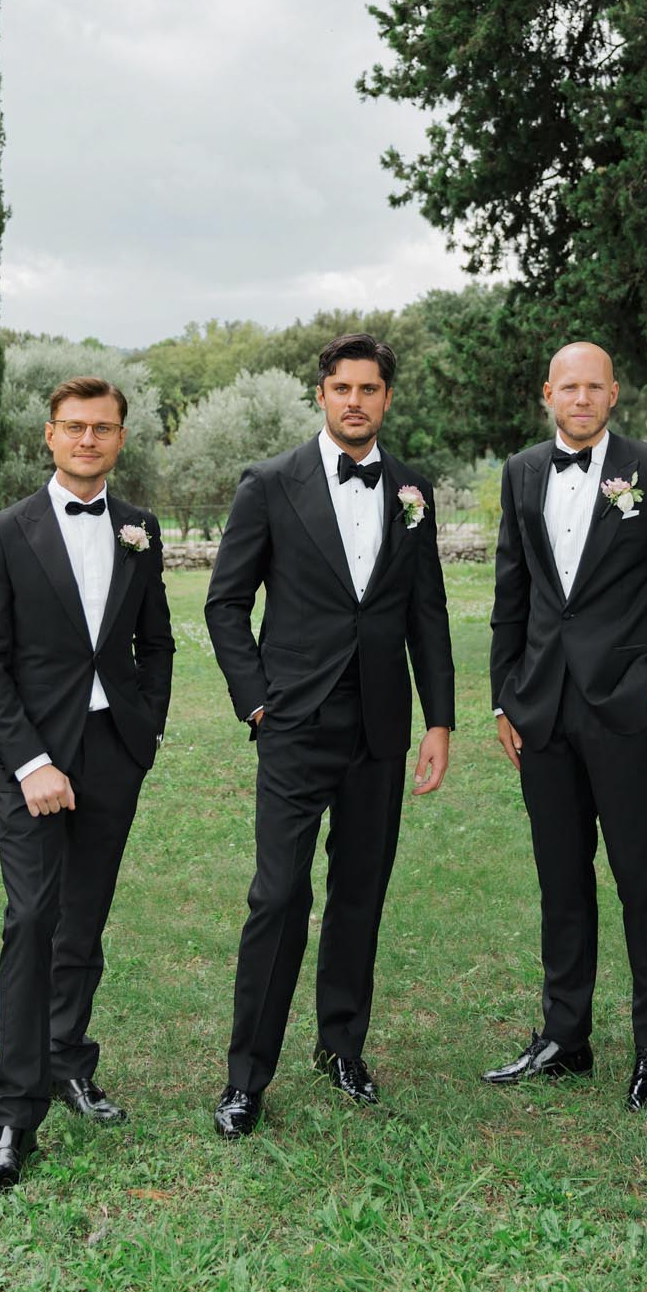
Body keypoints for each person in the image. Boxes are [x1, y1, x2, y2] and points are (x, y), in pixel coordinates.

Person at [205, 332, 454, 1140]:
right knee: (277, 896)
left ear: (386, 398)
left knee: (360, 892)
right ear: (321, 394)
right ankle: (247, 1077)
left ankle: (342, 1046)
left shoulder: (412, 489)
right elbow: (225, 603)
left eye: (369, 389)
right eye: (341, 387)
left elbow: (426, 612)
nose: (355, 401)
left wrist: (439, 719)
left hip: (380, 725)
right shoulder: (270, 484)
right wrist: (254, 701)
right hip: (293, 724)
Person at [484, 341, 647, 1110]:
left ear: (613, 393)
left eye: (595, 385)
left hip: (628, 708)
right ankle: (565, 1036)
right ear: (547, 394)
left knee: (641, 878)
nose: (582, 397)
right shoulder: (521, 472)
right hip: (540, 714)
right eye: (569, 386)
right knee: (560, 880)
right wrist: (504, 698)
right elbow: (512, 592)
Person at [0, 376, 174, 1194]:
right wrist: (30, 763)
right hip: (34, 759)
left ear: (121, 439)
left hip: (112, 749)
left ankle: (67, 1060)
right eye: (74, 428)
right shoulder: (6, 532)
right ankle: (15, 1118)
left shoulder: (140, 530)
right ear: (49, 437)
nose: (88, 441)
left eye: (104, 429)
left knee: (84, 917)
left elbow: (154, 642)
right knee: (32, 920)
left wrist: (142, 732)